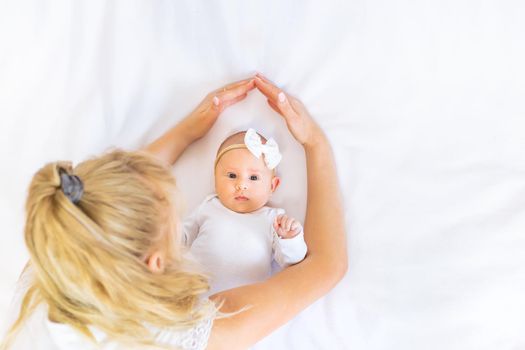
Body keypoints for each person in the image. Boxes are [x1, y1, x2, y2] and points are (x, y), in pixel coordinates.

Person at [1, 74, 347, 350]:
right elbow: (326, 266)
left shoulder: (52, 255)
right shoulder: (179, 335)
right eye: (173, 214)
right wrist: (316, 144)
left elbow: (109, 199)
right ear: (157, 263)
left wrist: (191, 128)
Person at [183, 127, 307, 295]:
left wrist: (290, 238)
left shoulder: (274, 220)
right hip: (190, 296)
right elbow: (181, 238)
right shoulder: (209, 206)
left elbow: (291, 262)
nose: (241, 185)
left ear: (272, 186)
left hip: (242, 306)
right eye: (232, 176)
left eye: (253, 178)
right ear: (215, 180)